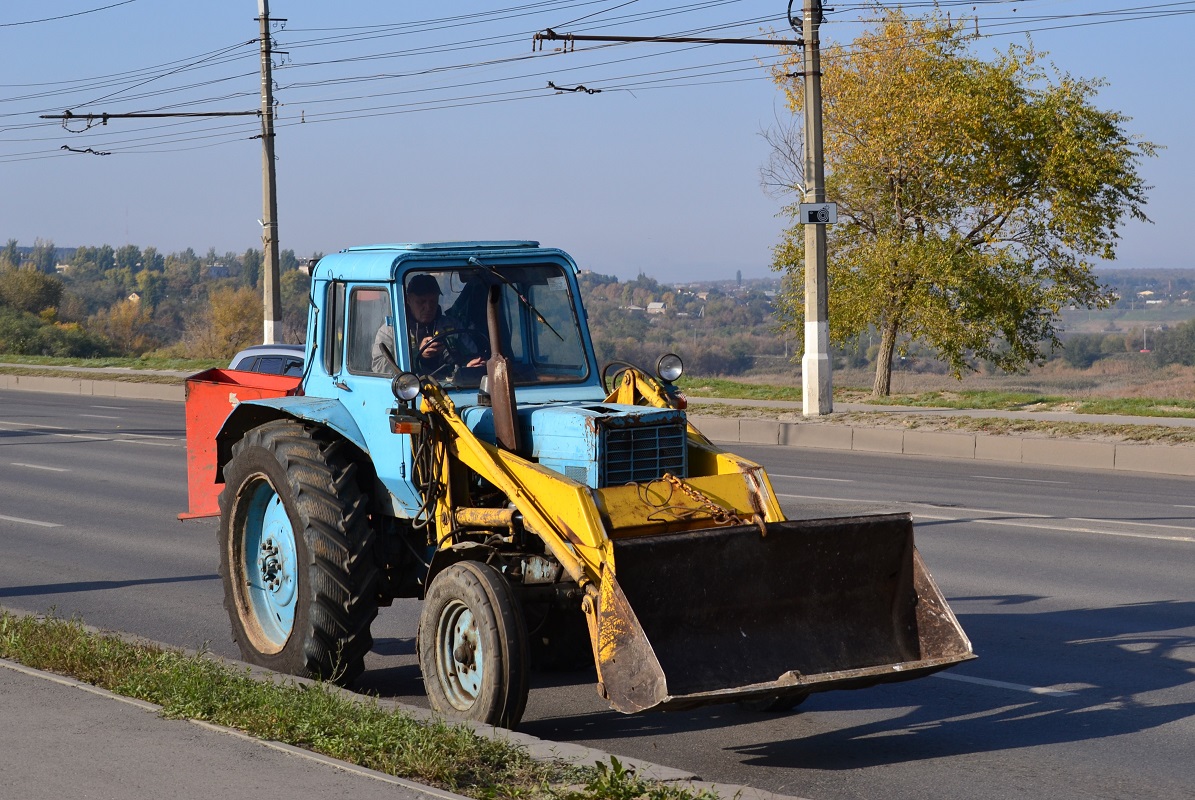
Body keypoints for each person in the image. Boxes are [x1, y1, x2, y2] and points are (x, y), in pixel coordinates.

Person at [372, 273, 483, 374]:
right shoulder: (391, 330)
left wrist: (468, 366)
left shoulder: (453, 326)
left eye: (433, 301)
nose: (428, 307)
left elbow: (473, 354)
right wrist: (417, 354)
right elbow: (378, 366)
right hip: (411, 390)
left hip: (453, 388)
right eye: (421, 302)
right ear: (408, 300)